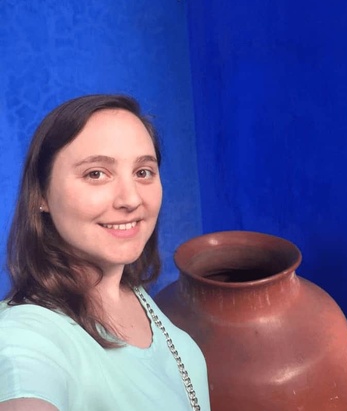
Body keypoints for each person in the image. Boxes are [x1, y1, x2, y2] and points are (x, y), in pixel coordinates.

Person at [0, 94, 211, 411]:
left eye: (143, 172)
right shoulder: (26, 333)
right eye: (96, 173)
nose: (130, 199)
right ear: (40, 195)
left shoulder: (135, 294)